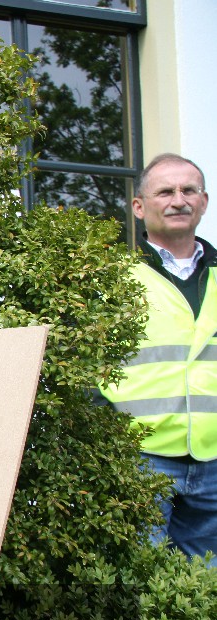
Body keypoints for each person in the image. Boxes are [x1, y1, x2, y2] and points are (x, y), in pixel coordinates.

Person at [99, 153, 215, 566]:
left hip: (213, 463)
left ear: (204, 201)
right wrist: (104, 434)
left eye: (189, 190)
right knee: (138, 580)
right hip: (140, 459)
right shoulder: (111, 278)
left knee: (205, 589)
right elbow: (83, 364)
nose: (178, 200)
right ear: (139, 206)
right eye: (165, 191)